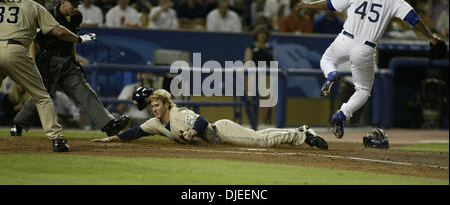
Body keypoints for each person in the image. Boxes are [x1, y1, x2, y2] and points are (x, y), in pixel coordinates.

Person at [296, 0, 445, 139]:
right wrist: (430, 37)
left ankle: (331, 74)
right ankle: (342, 114)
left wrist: (308, 5)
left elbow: (330, 4)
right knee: (363, 90)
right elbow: (412, 18)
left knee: (326, 60)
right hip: (365, 47)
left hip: (344, 39)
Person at [10, 0, 130, 140]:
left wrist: (75, 60)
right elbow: (33, 41)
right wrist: (33, 63)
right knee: (42, 96)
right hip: (47, 60)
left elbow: (71, 39)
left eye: (77, 5)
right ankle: (18, 124)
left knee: (83, 89)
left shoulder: (76, 17)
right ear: (62, 3)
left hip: (66, 61)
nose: (75, 8)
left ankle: (109, 124)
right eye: (73, 5)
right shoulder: (47, 14)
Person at [0, 0, 97, 152]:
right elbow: (58, 31)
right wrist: (79, 38)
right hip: (16, 50)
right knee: (42, 96)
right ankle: (57, 139)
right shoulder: (32, 5)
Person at [91, 88, 329, 150]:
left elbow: (202, 121)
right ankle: (300, 130)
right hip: (217, 137)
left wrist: (194, 132)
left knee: (260, 141)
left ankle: (302, 135)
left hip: (220, 131)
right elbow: (136, 132)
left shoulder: (178, 113)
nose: (154, 109)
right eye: (152, 105)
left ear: (166, 104)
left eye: (157, 104)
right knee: (259, 137)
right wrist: (112, 139)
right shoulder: (155, 122)